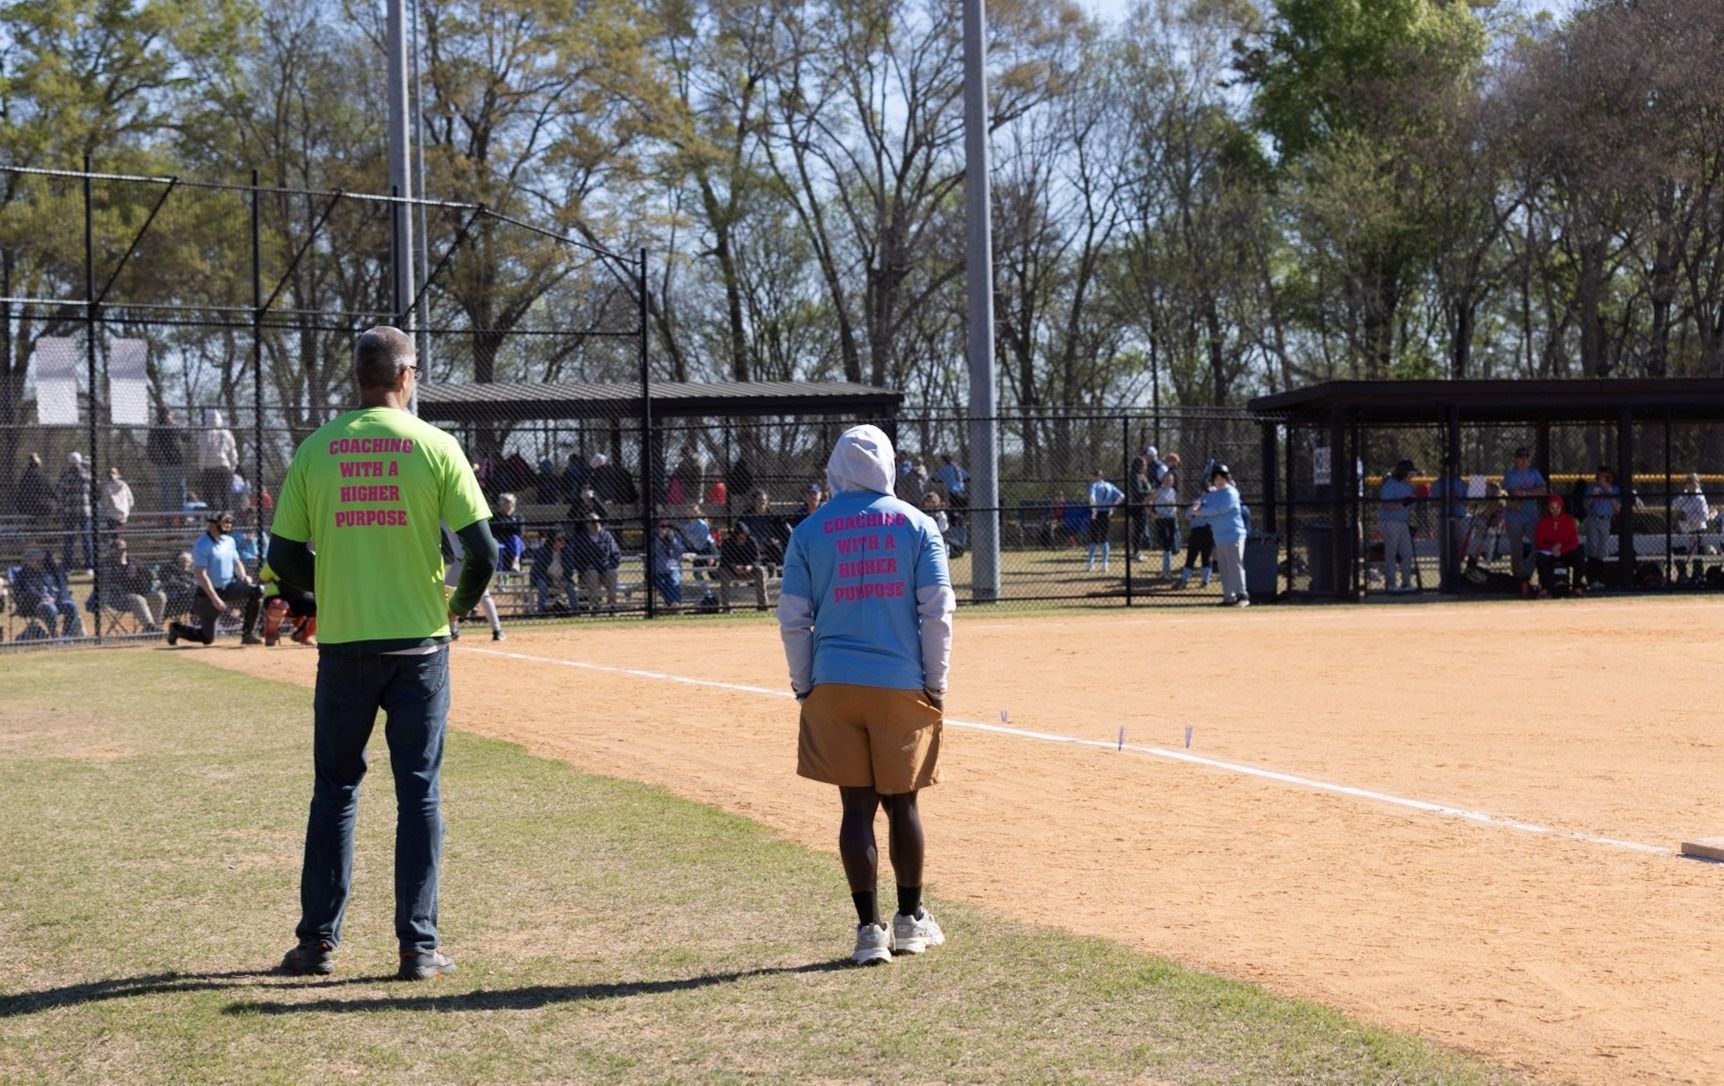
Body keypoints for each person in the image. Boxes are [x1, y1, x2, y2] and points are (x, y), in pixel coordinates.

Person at [268, 325, 497, 982]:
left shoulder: (317, 448)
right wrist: (456, 609)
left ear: (359, 378)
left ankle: (316, 945)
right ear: (406, 376)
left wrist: (326, 593)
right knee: (418, 794)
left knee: (335, 791)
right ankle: (417, 948)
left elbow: (282, 557)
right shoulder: (435, 445)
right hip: (419, 645)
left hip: (344, 646)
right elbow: (483, 553)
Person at [777, 424, 954, 966]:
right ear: (889, 466)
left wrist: (805, 684)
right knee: (904, 802)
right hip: (900, 681)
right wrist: (936, 682)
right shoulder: (918, 524)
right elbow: (937, 612)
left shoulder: (809, 531)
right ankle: (910, 920)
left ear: (835, 468)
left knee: (855, 808)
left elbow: (793, 618)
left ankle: (868, 930)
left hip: (833, 680)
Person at [165, 511, 264, 646]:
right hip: (208, 592)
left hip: (228, 587)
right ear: (212, 525)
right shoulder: (202, 544)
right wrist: (215, 598)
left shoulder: (229, 541)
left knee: (257, 591)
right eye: (223, 523)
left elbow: (236, 562)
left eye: (229, 523)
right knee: (207, 638)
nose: (227, 526)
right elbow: (201, 574)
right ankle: (176, 628)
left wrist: (243, 576)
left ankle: (248, 635)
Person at [1189, 463, 1249, 606]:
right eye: (1216, 478)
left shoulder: (1231, 493)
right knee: (1224, 568)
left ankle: (1242, 596)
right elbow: (1198, 509)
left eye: (1222, 478)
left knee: (1235, 566)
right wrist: (1197, 506)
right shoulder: (1213, 495)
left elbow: (1220, 509)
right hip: (1220, 538)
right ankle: (1229, 598)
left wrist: (1200, 511)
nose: (1219, 481)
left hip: (1234, 536)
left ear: (1227, 479)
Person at [443, 523, 504, 641]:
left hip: (473, 562)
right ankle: (453, 630)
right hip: (458, 563)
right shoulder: (443, 520)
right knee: (444, 594)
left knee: (484, 596)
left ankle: (497, 630)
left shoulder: (465, 518)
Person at [12, 546, 85, 639]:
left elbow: (56, 588)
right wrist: (43, 598)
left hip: (53, 601)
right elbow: (29, 591)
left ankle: (66, 636)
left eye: (40, 560)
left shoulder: (46, 572)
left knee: (71, 606)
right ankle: (55, 636)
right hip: (35, 604)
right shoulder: (22, 575)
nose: (40, 562)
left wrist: (54, 597)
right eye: (36, 560)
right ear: (28, 561)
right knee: (50, 608)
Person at [97, 536, 165, 631]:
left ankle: (154, 628)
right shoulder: (106, 564)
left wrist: (138, 574)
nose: (122, 552)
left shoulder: (134, 562)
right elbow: (107, 581)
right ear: (112, 551)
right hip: (119, 598)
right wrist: (125, 574)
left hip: (141, 593)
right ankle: (149, 627)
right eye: (119, 550)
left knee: (159, 596)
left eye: (124, 549)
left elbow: (149, 576)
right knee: (138, 599)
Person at [1503, 446, 1546, 590]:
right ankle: (1517, 579)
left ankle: (1525, 575)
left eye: (1525, 458)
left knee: (1539, 543)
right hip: (1513, 516)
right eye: (1520, 458)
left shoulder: (1534, 473)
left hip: (1531, 515)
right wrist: (1532, 492)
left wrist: (1524, 494)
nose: (1522, 461)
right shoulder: (1510, 474)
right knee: (1516, 548)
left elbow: (1543, 490)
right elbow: (1514, 492)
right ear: (1515, 459)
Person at [1428, 457, 1469, 590]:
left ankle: (1457, 578)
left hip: (1460, 518)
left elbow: (1467, 500)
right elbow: (1433, 503)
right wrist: (1448, 500)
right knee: (1445, 550)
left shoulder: (1460, 482)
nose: (1453, 469)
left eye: (1455, 466)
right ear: (1445, 468)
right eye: (1450, 466)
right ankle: (1445, 580)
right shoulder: (1438, 484)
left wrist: (1460, 499)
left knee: (1459, 550)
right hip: (1444, 518)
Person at [568, 512, 621, 613]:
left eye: (598, 521)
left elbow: (616, 553)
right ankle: (595, 605)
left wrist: (611, 565)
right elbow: (576, 557)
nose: (596, 524)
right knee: (593, 575)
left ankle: (612, 605)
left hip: (605, 567)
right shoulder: (581, 538)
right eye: (592, 522)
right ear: (587, 524)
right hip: (589, 569)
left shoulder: (606, 536)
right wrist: (583, 568)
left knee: (612, 573)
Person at [1377, 459, 1417, 594]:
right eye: (1411, 472)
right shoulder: (1390, 485)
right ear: (1404, 472)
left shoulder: (1408, 486)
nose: (1413, 475)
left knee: (1407, 553)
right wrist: (1403, 504)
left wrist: (1409, 521)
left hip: (1403, 523)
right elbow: (1386, 505)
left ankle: (1406, 583)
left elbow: (1410, 508)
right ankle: (1391, 583)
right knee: (1391, 553)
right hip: (1390, 522)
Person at [1532, 495, 1583, 598]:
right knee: (1540, 559)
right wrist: (1551, 548)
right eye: (1552, 508)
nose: (1555, 510)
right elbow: (1539, 542)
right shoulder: (1543, 522)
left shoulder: (1569, 520)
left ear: (1562, 507)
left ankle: (1576, 586)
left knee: (1579, 557)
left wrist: (1561, 550)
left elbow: (1574, 542)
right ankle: (1546, 587)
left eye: (1557, 507)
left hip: (1565, 551)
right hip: (1549, 551)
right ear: (1548, 508)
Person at [717, 517, 770, 611]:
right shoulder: (727, 542)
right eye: (739, 536)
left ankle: (763, 605)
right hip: (732, 571)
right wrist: (734, 567)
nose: (742, 538)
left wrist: (750, 566)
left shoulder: (751, 541)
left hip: (749, 570)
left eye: (744, 536)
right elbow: (724, 560)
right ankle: (726, 607)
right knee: (723, 572)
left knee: (760, 570)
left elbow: (757, 559)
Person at [259, 561, 317, 647]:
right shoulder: (275, 560)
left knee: (321, 607)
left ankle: (304, 635)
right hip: (277, 596)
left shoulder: (309, 559)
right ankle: (271, 634)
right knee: (277, 605)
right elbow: (263, 578)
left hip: (301, 598)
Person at [1582, 465, 1621, 587]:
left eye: (1606, 476)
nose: (1603, 479)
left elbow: (1618, 509)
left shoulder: (1615, 489)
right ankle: (1591, 579)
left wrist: (1608, 492)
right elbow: (1585, 505)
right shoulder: (1592, 488)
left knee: (1602, 550)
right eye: (1600, 476)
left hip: (1606, 520)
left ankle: (1599, 579)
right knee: (1592, 548)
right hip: (1593, 519)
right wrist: (1593, 496)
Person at [57, 451, 94, 574]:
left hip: (70, 511)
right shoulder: (87, 475)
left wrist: (62, 506)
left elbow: (60, 493)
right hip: (85, 511)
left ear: (69, 462)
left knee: (69, 540)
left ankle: (68, 566)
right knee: (87, 539)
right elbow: (94, 492)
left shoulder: (66, 476)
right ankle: (89, 566)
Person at [197, 409, 239, 511]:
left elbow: (203, 452)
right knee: (226, 497)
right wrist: (233, 467)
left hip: (209, 469)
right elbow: (232, 452)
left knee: (210, 497)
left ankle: (213, 518)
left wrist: (201, 467)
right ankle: (226, 520)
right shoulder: (227, 433)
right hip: (224, 467)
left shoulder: (205, 434)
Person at [1671, 471, 1709, 584]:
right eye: (1689, 482)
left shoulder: (1700, 497)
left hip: (1698, 529)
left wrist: (1689, 517)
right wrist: (1684, 497)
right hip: (1685, 529)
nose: (1691, 485)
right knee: (1677, 549)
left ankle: (1697, 575)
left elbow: (1704, 516)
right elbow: (1674, 505)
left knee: (1697, 552)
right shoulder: (1684, 496)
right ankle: (1683, 574)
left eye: (1694, 482)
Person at [527, 528, 578, 612]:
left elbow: (570, 569)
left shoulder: (567, 552)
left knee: (570, 587)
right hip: (545, 579)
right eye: (559, 539)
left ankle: (575, 609)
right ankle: (540, 610)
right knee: (542, 585)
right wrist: (552, 580)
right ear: (552, 541)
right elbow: (540, 572)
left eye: (563, 539)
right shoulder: (544, 552)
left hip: (561, 579)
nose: (563, 542)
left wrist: (564, 579)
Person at [1086, 467, 1124, 572]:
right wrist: (1112, 507)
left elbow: (1092, 498)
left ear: (1096, 477)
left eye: (1093, 476)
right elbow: (1121, 496)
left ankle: (1090, 563)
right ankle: (1105, 564)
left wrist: (1094, 510)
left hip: (1097, 512)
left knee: (1093, 538)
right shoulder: (1110, 485)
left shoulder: (1093, 485)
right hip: (1106, 513)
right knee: (1104, 538)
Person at [148, 408, 187, 510]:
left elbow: (186, 438)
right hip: (164, 462)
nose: (170, 417)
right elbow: (151, 446)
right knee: (166, 489)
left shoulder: (175, 426)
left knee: (180, 487)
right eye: (169, 415)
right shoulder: (156, 428)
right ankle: (168, 513)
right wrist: (158, 460)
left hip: (177, 461)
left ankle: (181, 511)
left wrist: (179, 427)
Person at [683, 504, 719, 606]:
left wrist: (710, 556)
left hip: (709, 549)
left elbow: (707, 541)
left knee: (713, 574)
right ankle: (708, 594)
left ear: (697, 512)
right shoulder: (687, 525)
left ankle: (724, 587)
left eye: (693, 511)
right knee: (696, 573)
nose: (691, 513)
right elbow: (690, 542)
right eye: (689, 510)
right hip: (698, 550)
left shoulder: (701, 524)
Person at [741, 489, 787, 567]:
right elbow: (743, 532)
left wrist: (775, 539)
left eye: (764, 500)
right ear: (754, 501)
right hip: (752, 543)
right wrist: (756, 544)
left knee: (777, 547)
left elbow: (778, 531)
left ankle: (780, 568)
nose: (762, 502)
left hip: (768, 543)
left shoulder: (772, 516)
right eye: (759, 499)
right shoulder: (747, 515)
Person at [647, 519, 687, 608]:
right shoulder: (652, 537)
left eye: (668, 526)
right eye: (662, 526)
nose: (666, 529)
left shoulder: (676, 535)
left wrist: (673, 540)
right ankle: (674, 604)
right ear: (657, 527)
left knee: (674, 582)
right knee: (663, 584)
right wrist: (660, 539)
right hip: (658, 571)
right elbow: (651, 551)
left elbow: (681, 550)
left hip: (674, 569)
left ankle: (674, 604)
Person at [1151, 470, 1180, 575]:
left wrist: (1175, 510)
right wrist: (1153, 514)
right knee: (1165, 543)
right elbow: (1148, 502)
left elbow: (1173, 503)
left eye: (1171, 480)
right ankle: (1166, 569)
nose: (1169, 481)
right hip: (1161, 519)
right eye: (1167, 479)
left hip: (1171, 518)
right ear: (1163, 480)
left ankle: (1166, 569)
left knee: (1169, 543)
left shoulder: (1173, 491)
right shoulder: (1158, 491)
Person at [158, 551, 199, 623]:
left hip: (190, 597)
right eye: (182, 561)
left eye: (187, 562)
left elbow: (195, 583)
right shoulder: (171, 569)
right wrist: (183, 585)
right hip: (175, 596)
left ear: (191, 562)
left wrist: (189, 585)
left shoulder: (192, 572)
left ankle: (196, 619)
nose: (185, 564)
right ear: (178, 561)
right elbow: (170, 581)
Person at [491, 492, 526, 573]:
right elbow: (496, 530)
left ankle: (515, 562)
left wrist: (506, 526)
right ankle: (499, 575)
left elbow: (520, 531)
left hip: (513, 541)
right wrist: (510, 526)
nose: (501, 504)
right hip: (499, 540)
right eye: (500, 502)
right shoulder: (495, 516)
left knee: (515, 538)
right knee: (500, 547)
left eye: (505, 502)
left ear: (511, 504)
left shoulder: (518, 517)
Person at [1128, 456, 1153, 562]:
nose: (1146, 467)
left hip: (1143, 505)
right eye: (1144, 465)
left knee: (1140, 529)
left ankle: (1136, 551)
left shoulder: (1141, 476)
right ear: (1139, 466)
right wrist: (1151, 492)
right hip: (1138, 506)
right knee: (1138, 530)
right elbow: (1138, 492)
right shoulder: (1135, 476)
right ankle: (1136, 552)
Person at [100, 465, 136, 534]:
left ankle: (114, 537)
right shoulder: (124, 485)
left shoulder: (107, 487)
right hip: (124, 514)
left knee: (111, 527)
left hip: (112, 515)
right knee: (118, 530)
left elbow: (105, 502)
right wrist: (127, 508)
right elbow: (131, 500)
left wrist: (106, 509)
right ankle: (117, 537)